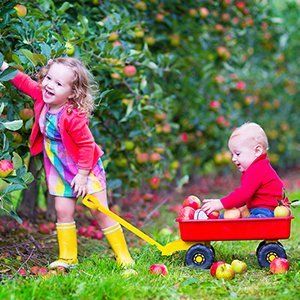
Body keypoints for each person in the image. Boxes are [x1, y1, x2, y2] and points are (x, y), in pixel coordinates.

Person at [0, 58, 134, 269]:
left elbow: (87, 145)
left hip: (84, 168)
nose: (49, 85)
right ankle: (68, 257)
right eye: (49, 78)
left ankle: (124, 257)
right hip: (59, 168)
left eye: (58, 83)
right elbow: (25, 83)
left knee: (100, 211)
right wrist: (5, 69)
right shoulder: (43, 99)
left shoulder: (72, 116)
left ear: (72, 93)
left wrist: (82, 176)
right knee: (63, 211)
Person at [201, 122, 288, 218]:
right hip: (258, 209)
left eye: (237, 154)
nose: (233, 159)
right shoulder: (258, 167)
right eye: (232, 154)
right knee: (230, 217)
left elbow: (243, 194)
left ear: (257, 151)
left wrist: (221, 203)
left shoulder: (258, 169)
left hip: (266, 212)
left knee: (251, 224)